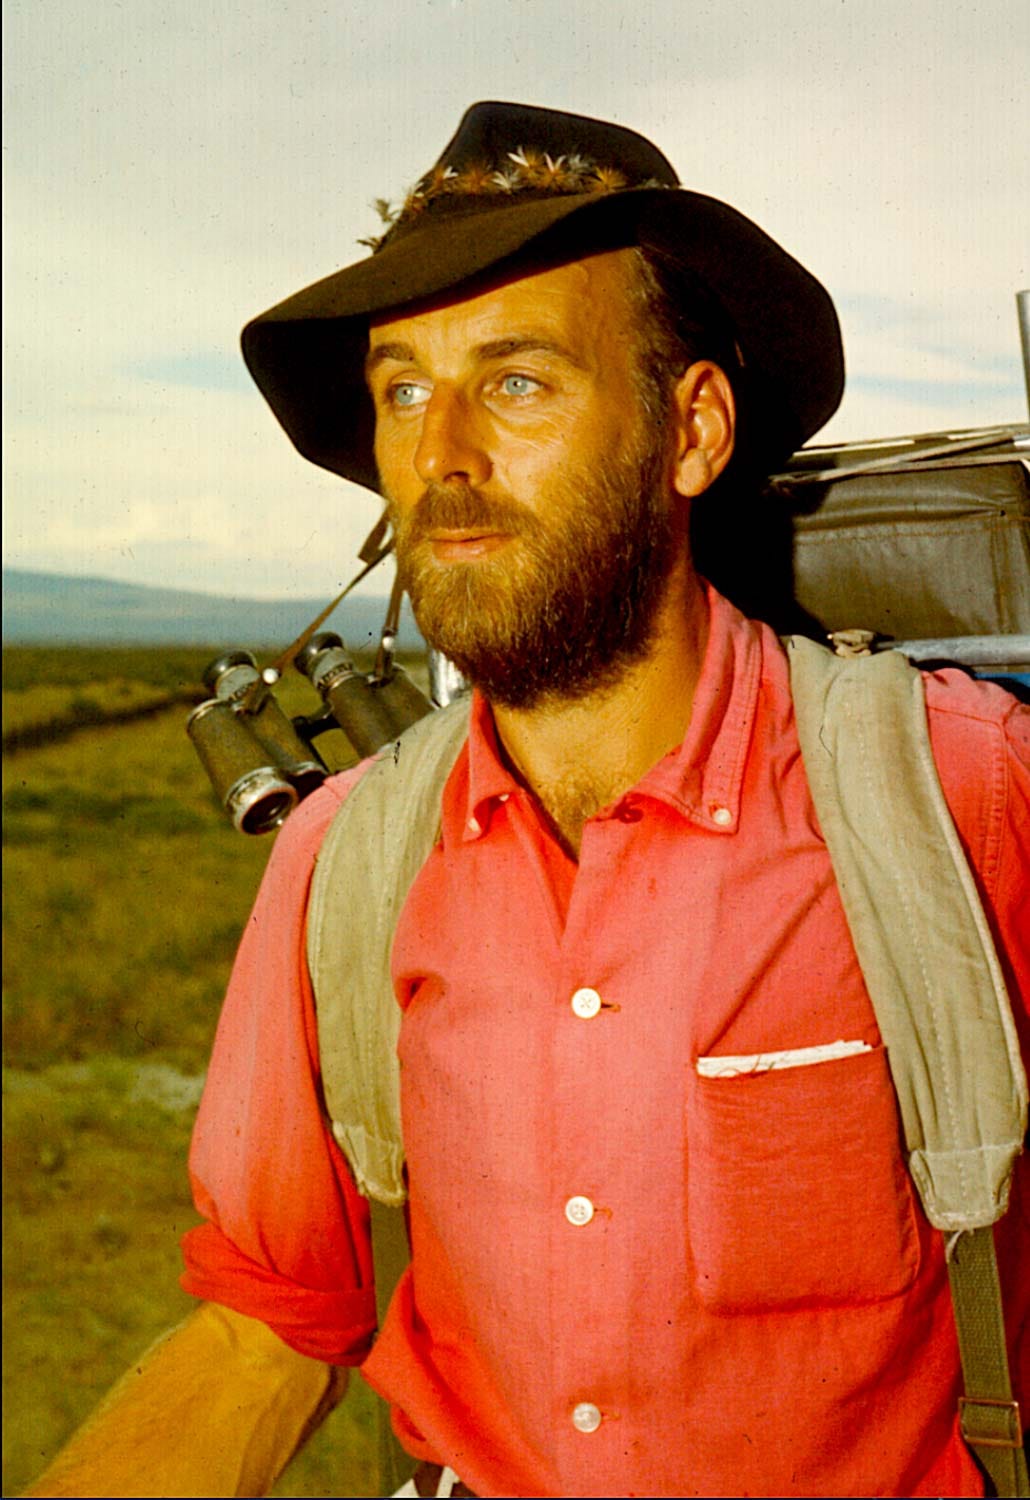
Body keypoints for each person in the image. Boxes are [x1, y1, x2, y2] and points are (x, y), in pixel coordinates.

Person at [28, 101, 1028, 1500]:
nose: (440, 456)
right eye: (402, 392)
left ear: (690, 430)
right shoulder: (344, 860)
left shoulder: (960, 797)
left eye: (515, 382)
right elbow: (268, 1325)